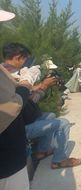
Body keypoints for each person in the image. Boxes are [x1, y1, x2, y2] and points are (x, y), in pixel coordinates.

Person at [2, 43, 81, 169]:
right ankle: (59, 160)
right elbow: (21, 99)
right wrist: (43, 85)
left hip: (22, 121)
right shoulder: (12, 75)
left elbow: (23, 92)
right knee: (63, 123)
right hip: (18, 128)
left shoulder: (7, 73)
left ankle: (41, 151)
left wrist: (42, 85)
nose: (26, 64)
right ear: (18, 57)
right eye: (25, 59)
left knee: (50, 115)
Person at [0, 32, 36, 190]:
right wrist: (25, 84)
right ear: (18, 57)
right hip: (8, 160)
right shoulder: (7, 73)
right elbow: (13, 104)